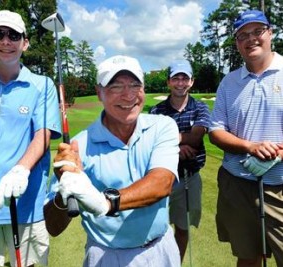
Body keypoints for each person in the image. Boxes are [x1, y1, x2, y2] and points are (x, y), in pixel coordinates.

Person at [44, 55, 181, 267]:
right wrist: (65, 190)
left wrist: (105, 203)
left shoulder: (163, 126)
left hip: (161, 248)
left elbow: (161, 183)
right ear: (99, 92)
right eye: (116, 86)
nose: (128, 96)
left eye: (135, 85)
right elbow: (54, 227)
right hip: (107, 256)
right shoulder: (80, 146)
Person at [0, 10, 61, 267]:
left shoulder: (43, 85)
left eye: (14, 35)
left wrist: (20, 169)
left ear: (24, 43)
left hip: (27, 204)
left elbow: (43, 134)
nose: (6, 41)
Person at [209, 9, 283, 267]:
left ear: (270, 33)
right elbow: (215, 131)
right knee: (248, 256)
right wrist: (249, 147)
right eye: (243, 35)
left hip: (280, 187)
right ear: (237, 42)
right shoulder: (229, 83)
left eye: (257, 32)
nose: (251, 39)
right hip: (237, 186)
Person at [149, 60, 210, 263]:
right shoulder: (156, 112)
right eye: (176, 78)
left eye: (185, 78)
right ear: (168, 82)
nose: (180, 82)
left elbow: (196, 138)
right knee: (154, 228)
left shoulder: (200, 108)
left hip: (189, 177)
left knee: (182, 229)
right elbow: (151, 146)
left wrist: (167, 140)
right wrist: (177, 148)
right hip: (160, 178)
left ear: (192, 82)